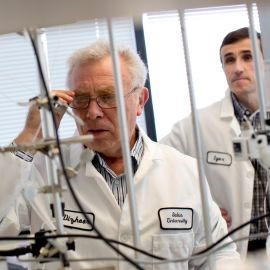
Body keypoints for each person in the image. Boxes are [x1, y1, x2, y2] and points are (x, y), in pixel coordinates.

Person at [0, 40, 240, 269]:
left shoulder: (185, 171)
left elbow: (218, 253)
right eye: (81, 100)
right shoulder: (41, 171)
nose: (92, 112)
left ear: (140, 101)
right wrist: (29, 136)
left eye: (108, 97)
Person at [161, 27, 268, 259]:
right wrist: (199, 208)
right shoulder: (197, 125)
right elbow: (153, 167)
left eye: (247, 57)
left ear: (265, 62)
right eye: (229, 60)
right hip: (231, 254)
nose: (238, 67)